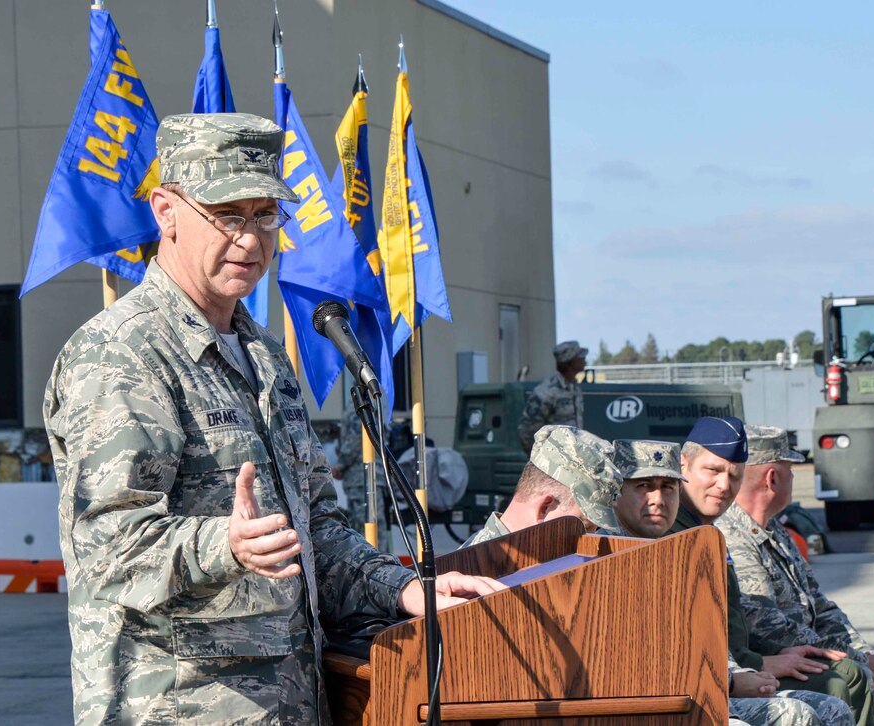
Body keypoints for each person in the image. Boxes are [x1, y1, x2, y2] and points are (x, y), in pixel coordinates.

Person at [43, 113, 502, 724]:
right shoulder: (122, 354)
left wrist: (400, 589)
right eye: (228, 215)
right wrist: (224, 544)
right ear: (165, 211)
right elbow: (106, 547)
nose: (251, 240)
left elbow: (315, 528)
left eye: (265, 216)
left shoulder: (264, 356)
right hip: (178, 707)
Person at [610, 439, 853, 726]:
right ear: (617, 492)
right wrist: (733, 682)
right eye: (643, 487)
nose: (658, 499)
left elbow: (708, 634)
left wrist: (741, 674)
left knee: (831, 708)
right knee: (795, 714)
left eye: (668, 487)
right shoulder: (608, 556)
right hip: (653, 701)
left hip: (708, 685)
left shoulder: (682, 547)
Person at [672, 417, 874, 726]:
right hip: (707, 682)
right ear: (683, 465)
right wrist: (757, 665)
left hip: (736, 669)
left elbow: (815, 605)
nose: (724, 485)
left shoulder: (708, 531)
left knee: (846, 678)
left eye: (734, 475)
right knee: (834, 687)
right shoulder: (675, 535)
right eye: (712, 470)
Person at [717, 426, 874, 726]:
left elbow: (820, 606)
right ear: (773, 478)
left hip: (804, 650)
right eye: (790, 470)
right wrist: (858, 661)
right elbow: (768, 627)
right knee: (850, 678)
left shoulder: (777, 531)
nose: (793, 479)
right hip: (767, 658)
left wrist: (865, 652)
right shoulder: (731, 536)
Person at [462, 425, 621, 547]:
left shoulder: (532, 561)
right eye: (583, 528)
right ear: (545, 507)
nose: (591, 541)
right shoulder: (472, 575)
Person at [516, 340, 587, 453]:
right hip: (552, 462)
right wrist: (538, 459)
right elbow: (527, 430)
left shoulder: (574, 387)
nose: (584, 358)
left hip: (573, 459)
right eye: (579, 356)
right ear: (570, 361)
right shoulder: (547, 391)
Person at [332, 407, 386, 535]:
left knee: (365, 528)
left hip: (361, 479)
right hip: (368, 477)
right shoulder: (373, 405)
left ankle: (375, 555)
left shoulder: (360, 405)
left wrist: (340, 465)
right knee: (372, 527)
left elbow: (356, 439)